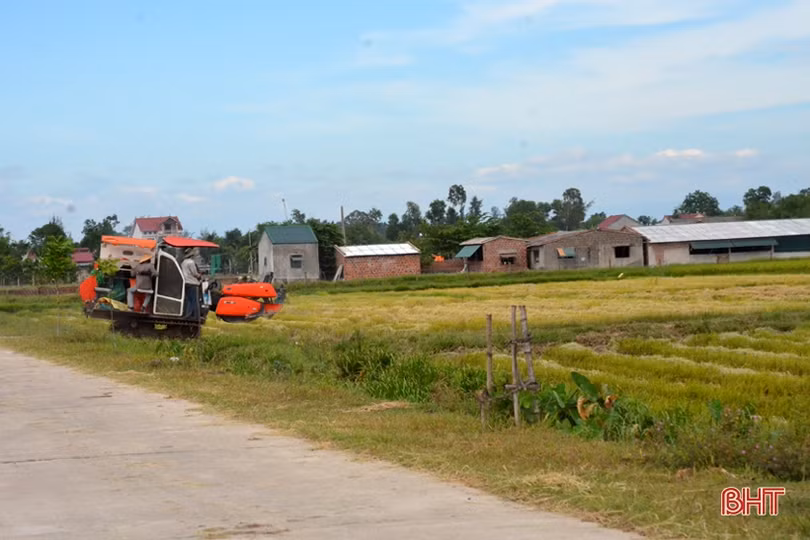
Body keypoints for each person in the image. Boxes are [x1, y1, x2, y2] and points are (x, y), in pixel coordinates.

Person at [181, 247, 202, 320]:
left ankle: (188, 314)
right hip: (193, 283)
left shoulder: (183, 262)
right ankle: (195, 316)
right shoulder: (191, 262)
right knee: (194, 300)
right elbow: (194, 273)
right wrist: (199, 276)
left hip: (186, 283)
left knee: (189, 300)